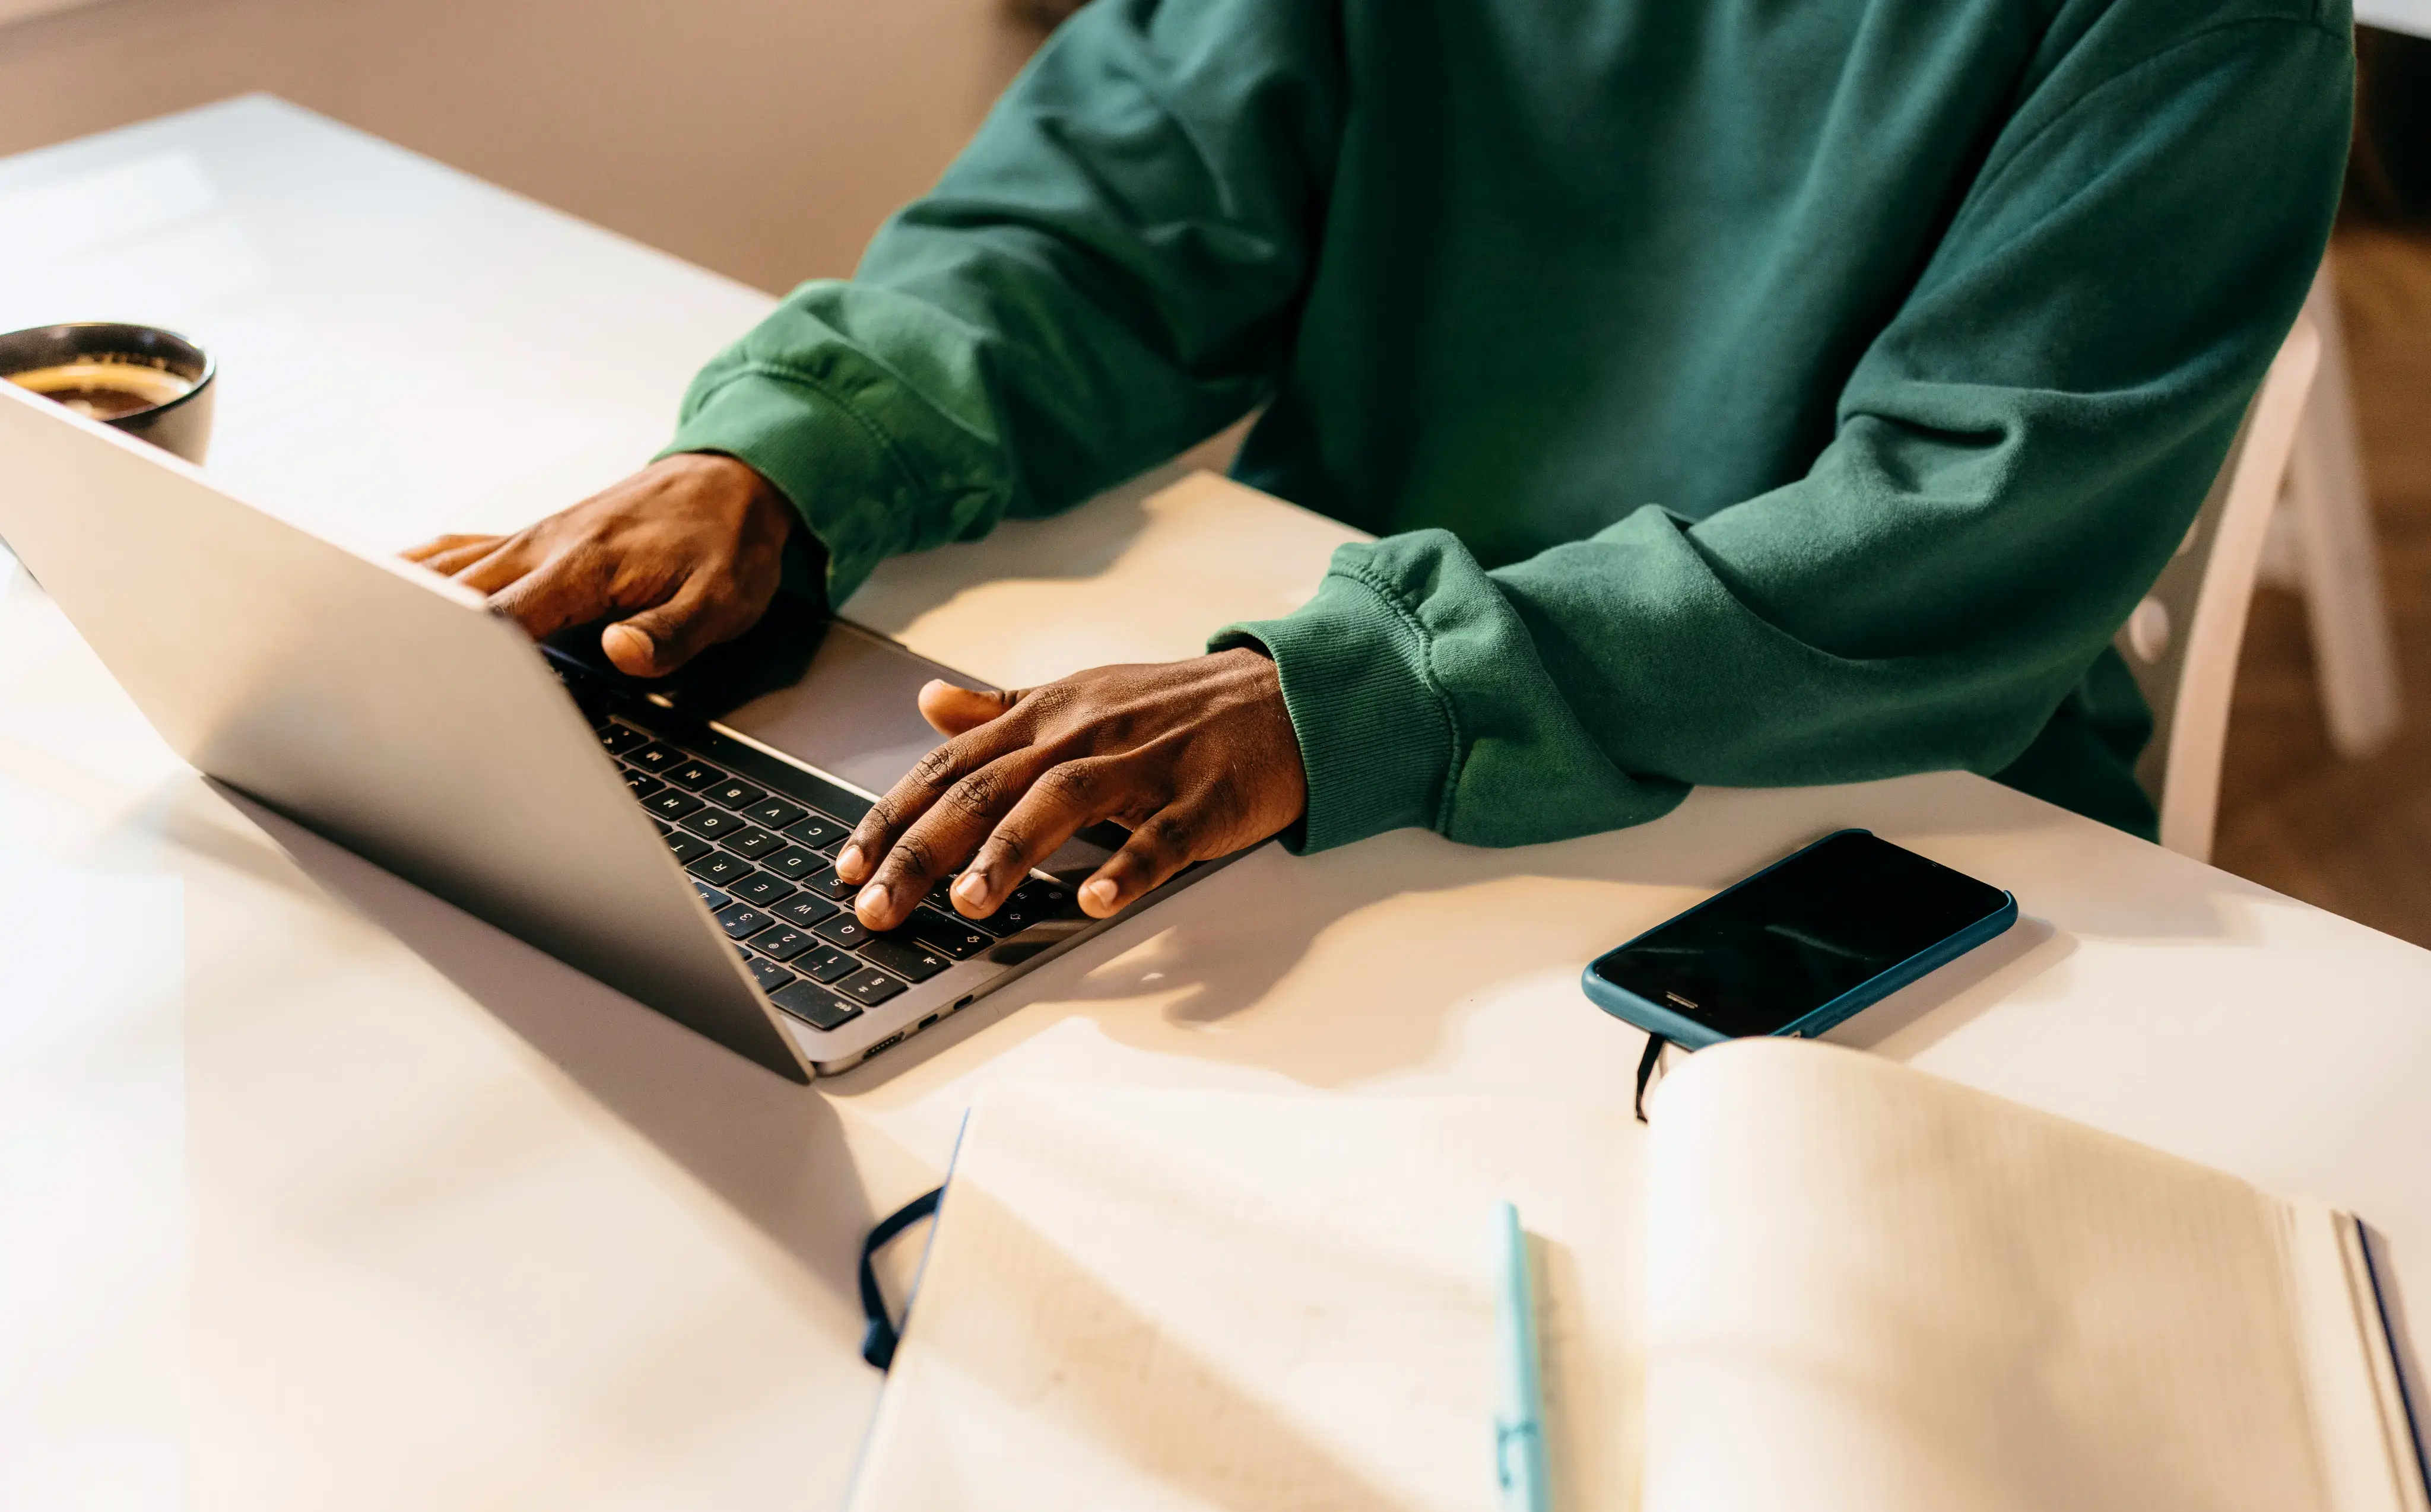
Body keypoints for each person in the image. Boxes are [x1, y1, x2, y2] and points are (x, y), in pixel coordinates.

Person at [409, 0, 2352, 938]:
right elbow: (1118, 202)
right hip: (1298, 728)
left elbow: (1955, 533)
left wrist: (1340, 701)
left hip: (1842, 806)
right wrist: (783, 454)